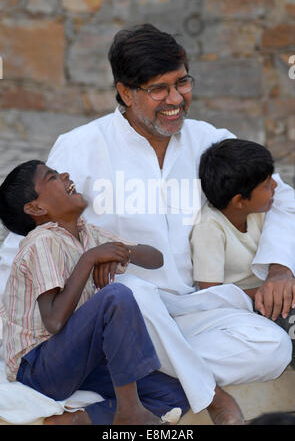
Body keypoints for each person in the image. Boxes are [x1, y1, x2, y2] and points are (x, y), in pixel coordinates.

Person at [0, 23, 294, 424]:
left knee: (272, 346)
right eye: (159, 89)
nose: (176, 99)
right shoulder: (82, 146)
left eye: (182, 82)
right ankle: (209, 396)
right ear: (125, 92)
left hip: (191, 310)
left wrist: (280, 268)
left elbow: (284, 198)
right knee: (133, 290)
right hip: (123, 312)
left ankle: (132, 376)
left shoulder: (210, 140)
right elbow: (26, 240)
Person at [0, 160, 190, 425]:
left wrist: (118, 252)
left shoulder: (87, 232)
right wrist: (90, 259)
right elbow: (53, 321)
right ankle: (130, 411)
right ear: (36, 208)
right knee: (116, 296)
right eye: (52, 177)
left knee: (174, 394)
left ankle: (79, 420)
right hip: (37, 367)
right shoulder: (42, 241)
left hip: (77, 359)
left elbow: (155, 258)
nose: (66, 174)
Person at [191, 139, 295, 367]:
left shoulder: (260, 211)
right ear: (240, 200)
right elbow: (211, 296)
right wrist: (264, 292)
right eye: (267, 185)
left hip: (273, 295)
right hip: (247, 309)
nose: (276, 187)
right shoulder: (210, 227)